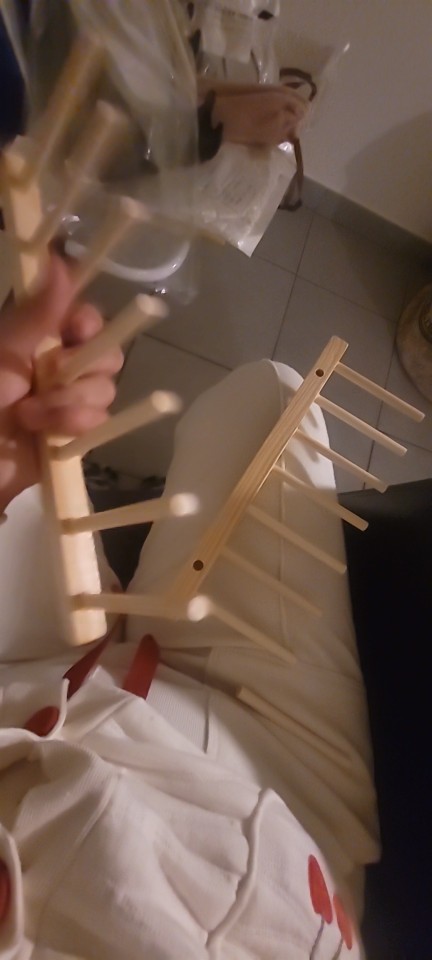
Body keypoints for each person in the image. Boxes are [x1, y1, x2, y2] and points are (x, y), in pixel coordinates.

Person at [0, 258, 379, 959]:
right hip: (290, 824)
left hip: (39, 707)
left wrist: (12, 491)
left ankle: (107, 544)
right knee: (271, 396)